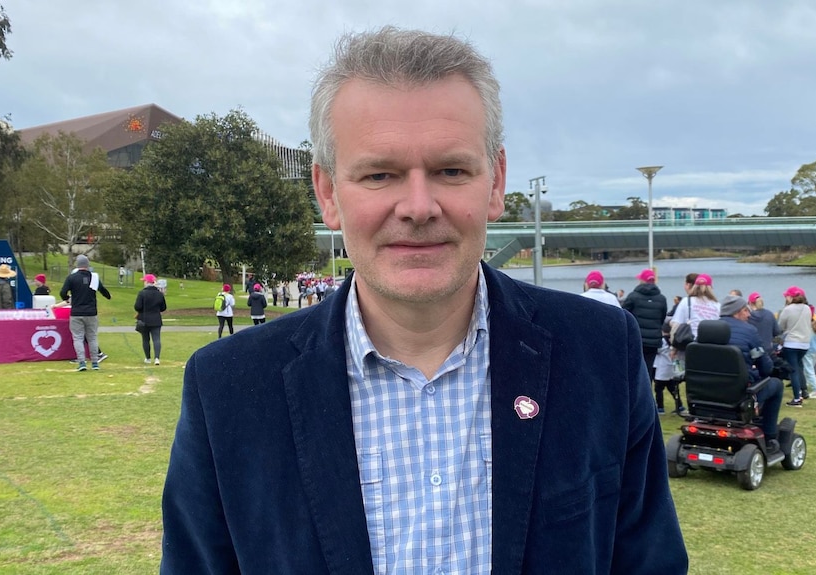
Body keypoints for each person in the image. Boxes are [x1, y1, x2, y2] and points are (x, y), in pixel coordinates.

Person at [160, 27, 687, 574]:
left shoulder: (600, 351)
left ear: (496, 181)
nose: (417, 206)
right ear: (327, 193)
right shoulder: (228, 388)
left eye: (450, 171)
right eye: (379, 174)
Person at [718, 295, 784, 454]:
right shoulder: (749, 331)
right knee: (776, 385)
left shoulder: (707, 330)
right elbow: (766, 367)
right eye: (746, 311)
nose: (749, 315)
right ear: (737, 312)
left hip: (705, 395)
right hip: (739, 396)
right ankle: (769, 435)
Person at [59, 255, 111, 371]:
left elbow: (62, 292)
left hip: (76, 312)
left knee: (78, 338)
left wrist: (67, 299)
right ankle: (94, 363)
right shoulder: (94, 277)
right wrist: (108, 296)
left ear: (77, 265)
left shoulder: (71, 278)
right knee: (92, 338)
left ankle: (82, 362)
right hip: (91, 312)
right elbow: (103, 290)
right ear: (88, 265)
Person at [623, 268, 668, 384]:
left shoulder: (633, 297)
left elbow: (625, 316)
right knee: (648, 370)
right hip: (653, 340)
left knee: (633, 369)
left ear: (641, 281)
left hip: (636, 339)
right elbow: (662, 318)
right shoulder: (661, 299)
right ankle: (647, 395)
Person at [778, 286, 812, 406]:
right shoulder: (807, 308)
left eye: (786, 296)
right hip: (805, 343)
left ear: (791, 297)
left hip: (792, 342)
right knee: (798, 367)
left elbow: (780, 327)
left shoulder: (787, 309)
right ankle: (803, 391)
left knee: (793, 370)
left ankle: (797, 398)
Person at [671, 273, 720, 340]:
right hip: (710, 343)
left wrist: (673, 347)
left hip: (690, 342)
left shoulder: (686, 301)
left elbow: (676, 324)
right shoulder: (717, 305)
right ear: (710, 288)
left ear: (695, 286)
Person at [653, 321, 685, 415]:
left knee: (658, 389)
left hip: (662, 369)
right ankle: (679, 405)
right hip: (671, 369)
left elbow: (657, 350)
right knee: (672, 389)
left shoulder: (662, 341)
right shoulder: (673, 341)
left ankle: (660, 407)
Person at [134, 273, 167, 365]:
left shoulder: (142, 293)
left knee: (145, 339)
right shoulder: (159, 294)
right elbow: (163, 307)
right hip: (156, 319)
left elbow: (137, 306)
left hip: (144, 319)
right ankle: (157, 358)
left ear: (147, 282)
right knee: (156, 339)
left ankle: (148, 358)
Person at [747, 292, 781, 356]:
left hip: (754, 350)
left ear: (750, 303)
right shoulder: (769, 314)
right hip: (768, 348)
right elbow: (777, 331)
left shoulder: (748, 317)